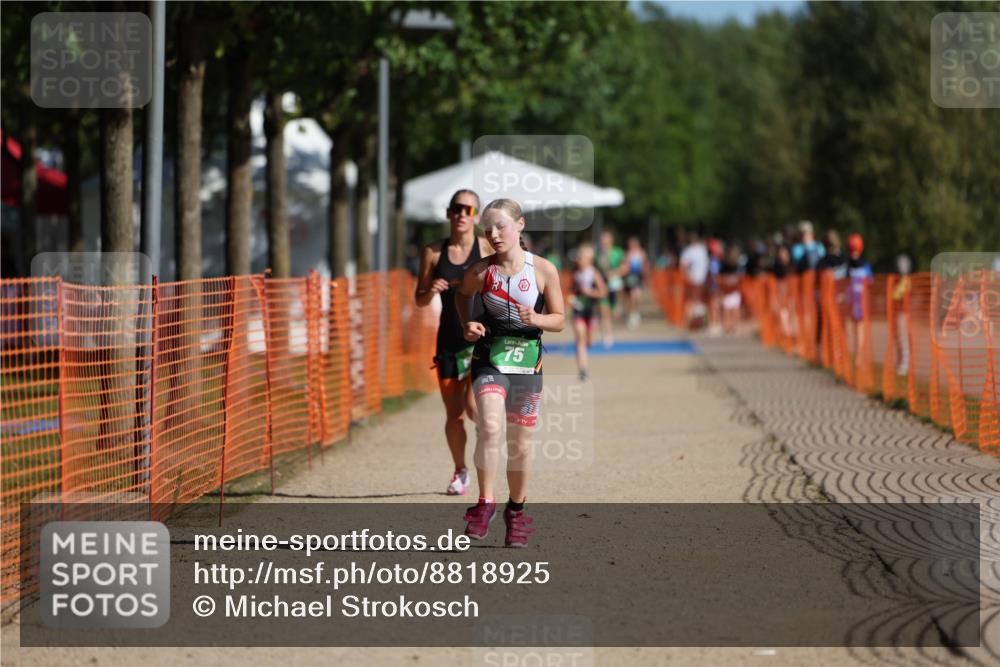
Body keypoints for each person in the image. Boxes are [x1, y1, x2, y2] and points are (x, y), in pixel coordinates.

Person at [454, 198, 565, 547]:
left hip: (528, 362)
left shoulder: (544, 270)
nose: (494, 234)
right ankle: (485, 503)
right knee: (488, 426)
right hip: (490, 358)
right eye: (488, 229)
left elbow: (560, 320)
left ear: (520, 225)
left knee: (520, 444)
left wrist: (538, 319)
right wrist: (467, 324)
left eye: (501, 225)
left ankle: (515, 511)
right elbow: (462, 296)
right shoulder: (481, 270)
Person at [415, 189, 493, 496]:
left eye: (469, 210)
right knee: (453, 414)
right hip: (448, 339)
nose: (462, 214)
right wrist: (431, 290)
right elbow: (419, 300)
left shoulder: (486, 247)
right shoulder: (433, 252)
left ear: (475, 217)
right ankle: (460, 471)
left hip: (480, 338)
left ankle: (485, 438)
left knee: (474, 407)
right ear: (449, 213)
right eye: (457, 209)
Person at [570, 242, 608, 381]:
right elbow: (571, 291)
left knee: (588, 341)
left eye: (582, 257)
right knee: (580, 337)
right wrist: (572, 298)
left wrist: (590, 292)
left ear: (589, 259)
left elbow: (603, 292)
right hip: (578, 310)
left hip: (591, 311)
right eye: (579, 257)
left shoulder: (594, 273)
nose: (579, 259)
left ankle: (584, 352)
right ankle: (583, 370)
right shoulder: (575, 273)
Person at [846, 233, 873, 362]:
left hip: (856, 300)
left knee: (857, 326)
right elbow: (870, 281)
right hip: (856, 300)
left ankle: (858, 354)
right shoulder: (861, 265)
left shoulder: (850, 265)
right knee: (857, 326)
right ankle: (857, 354)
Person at [596, 230, 625, 346]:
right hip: (603, 286)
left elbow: (625, 268)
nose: (604, 243)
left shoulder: (618, 253)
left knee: (613, 312)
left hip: (615, 286)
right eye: (602, 241)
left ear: (611, 241)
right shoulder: (598, 254)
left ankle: (610, 330)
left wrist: (614, 272)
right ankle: (607, 335)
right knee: (604, 311)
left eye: (606, 241)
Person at [679, 229, 709, 329]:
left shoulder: (702, 249)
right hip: (694, 280)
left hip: (701, 280)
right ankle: (688, 323)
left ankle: (699, 323)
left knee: (698, 301)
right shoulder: (690, 251)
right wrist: (689, 278)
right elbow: (683, 266)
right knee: (692, 301)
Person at [623, 235, 649, 330]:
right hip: (630, 278)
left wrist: (646, 279)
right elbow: (625, 266)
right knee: (630, 298)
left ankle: (635, 313)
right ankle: (631, 314)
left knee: (636, 297)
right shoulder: (628, 254)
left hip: (638, 278)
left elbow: (645, 266)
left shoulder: (641, 253)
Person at [718, 243, 743, 334]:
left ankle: (733, 326)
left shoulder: (739, 264)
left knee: (735, 309)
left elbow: (740, 276)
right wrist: (727, 280)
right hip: (727, 290)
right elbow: (720, 276)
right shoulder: (724, 264)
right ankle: (727, 326)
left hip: (735, 290)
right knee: (727, 309)